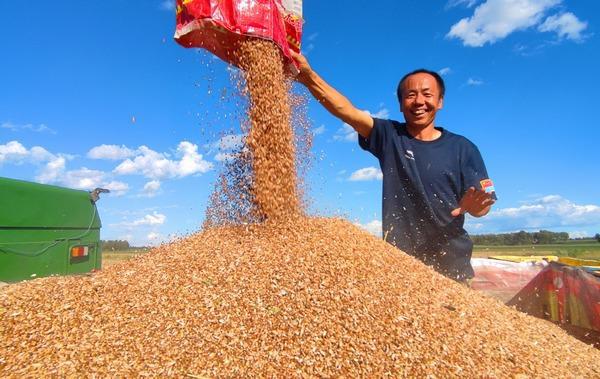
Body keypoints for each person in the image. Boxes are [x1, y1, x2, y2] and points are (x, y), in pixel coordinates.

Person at [291, 51, 496, 282]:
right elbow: (347, 112)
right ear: (400, 104)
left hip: (451, 269)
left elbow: (483, 206)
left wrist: (475, 206)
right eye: (410, 95)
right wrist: (308, 76)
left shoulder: (463, 148)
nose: (419, 101)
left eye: (427, 94)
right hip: (400, 268)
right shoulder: (390, 136)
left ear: (440, 102)